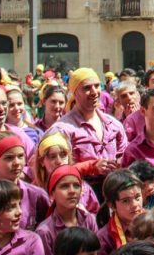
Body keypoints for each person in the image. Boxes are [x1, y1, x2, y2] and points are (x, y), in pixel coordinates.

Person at [47, 68, 127, 199]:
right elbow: (55, 171)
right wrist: (91, 167)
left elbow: (124, 155)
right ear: (74, 92)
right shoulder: (62, 130)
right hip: (80, 197)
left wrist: (120, 163)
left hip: (114, 195)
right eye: (87, 88)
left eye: (97, 86)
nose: (94, 92)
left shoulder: (114, 125)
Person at [36, 165, 98, 255]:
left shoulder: (88, 219)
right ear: (52, 194)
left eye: (76, 186)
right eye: (64, 186)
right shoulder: (45, 231)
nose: (72, 191)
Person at [33, 132, 102, 214]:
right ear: (41, 162)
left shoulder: (84, 188)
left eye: (63, 155)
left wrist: (85, 215)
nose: (59, 161)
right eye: (52, 156)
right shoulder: (35, 192)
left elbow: (98, 218)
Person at [96, 169, 144, 255]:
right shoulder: (103, 238)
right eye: (125, 201)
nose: (135, 205)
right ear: (112, 205)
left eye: (137, 197)